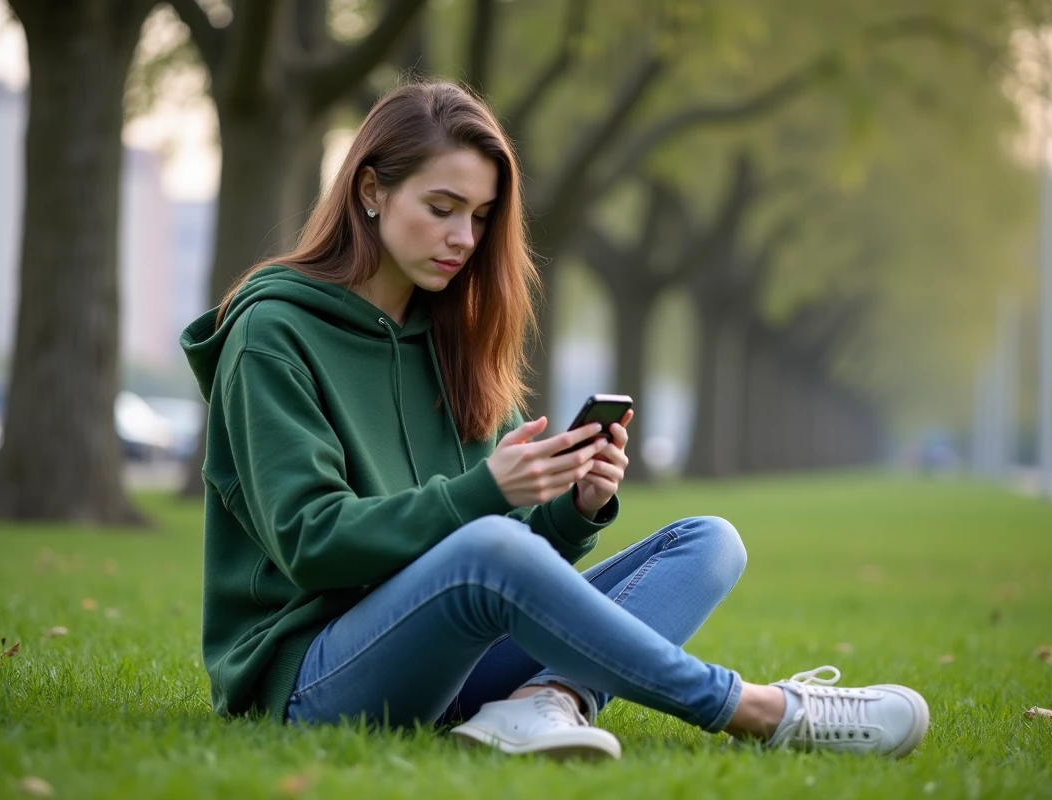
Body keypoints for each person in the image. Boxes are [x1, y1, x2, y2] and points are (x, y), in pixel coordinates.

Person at [179, 80, 929, 761]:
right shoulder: (272, 333)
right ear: (371, 191)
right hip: (312, 683)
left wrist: (575, 511)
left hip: (454, 660)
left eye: (479, 218)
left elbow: (516, 563)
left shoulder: (456, 338)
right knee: (492, 545)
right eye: (441, 210)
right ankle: (762, 710)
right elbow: (313, 543)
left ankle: (545, 702)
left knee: (708, 543)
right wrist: (482, 494)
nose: (463, 241)